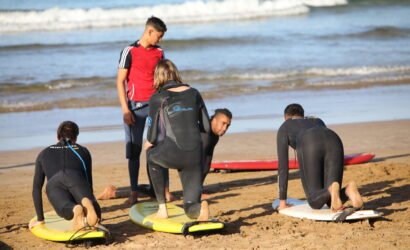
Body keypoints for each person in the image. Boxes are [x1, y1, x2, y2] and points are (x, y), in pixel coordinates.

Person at [96, 108, 232, 200]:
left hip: (173, 155)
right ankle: (114, 192)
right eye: (223, 123)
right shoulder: (204, 134)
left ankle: (116, 191)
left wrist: (198, 189)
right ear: (213, 119)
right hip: (161, 152)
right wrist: (195, 191)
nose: (225, 128)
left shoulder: (213, 135)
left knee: (156, 193)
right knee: (157, 194)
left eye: (228, 126)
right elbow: (191, 165)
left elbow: (206, 161)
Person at [144, 59, 211, 220]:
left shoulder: (157, 97)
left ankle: (162, 208)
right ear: (175, 73)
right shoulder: (194, 93)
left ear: (157, 76)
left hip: (174, 151)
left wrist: (148, 144)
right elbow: (207, 127)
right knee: (190, 206)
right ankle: (199, 209)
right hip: (195, 154)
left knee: (151, 157)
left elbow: (151, 137)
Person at [116, 16, 168, 205]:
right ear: (149, 32)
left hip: (156, 107)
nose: (159, 40)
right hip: (135, 109)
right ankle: (134, 192)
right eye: (158, 36)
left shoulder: (160, 52)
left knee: (159, 148)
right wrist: (125, 109)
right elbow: (120, 81)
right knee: (134, 151)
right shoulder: (129, 51)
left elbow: (164, 78)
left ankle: (164, 190)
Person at [276, 104, 364, 213]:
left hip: (309, 141)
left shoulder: (285, 126)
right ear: (302, 115)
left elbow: (283, 167)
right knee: (329, 199)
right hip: (334, 138)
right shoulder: (318, 121)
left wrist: (282, 203)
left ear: (286, 118)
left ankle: (332, 189)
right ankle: (348, 190)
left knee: (315, 202)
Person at [30, 121, 101, 230]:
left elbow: (36, 188)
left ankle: (74, 209)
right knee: (89, 203)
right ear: (76, 138)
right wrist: (94, 204)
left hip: (55, 183)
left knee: (64, 206)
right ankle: (86, 203)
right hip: (76, 178)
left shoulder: (43, 153)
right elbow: (88, 182)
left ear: (57, 136)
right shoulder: (83, 151)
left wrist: (40, 219)